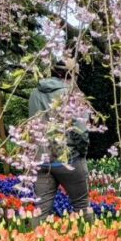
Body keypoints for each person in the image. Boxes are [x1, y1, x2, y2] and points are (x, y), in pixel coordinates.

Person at [28, 60, 91, 224]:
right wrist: (81, 153)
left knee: (40, 212)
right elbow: (81, 131)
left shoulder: (35, 93)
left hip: (41, 160)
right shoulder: (73, 95)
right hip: (68, 159)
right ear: (72, 75)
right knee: (82, 206)